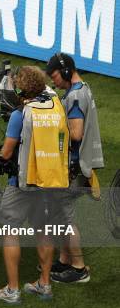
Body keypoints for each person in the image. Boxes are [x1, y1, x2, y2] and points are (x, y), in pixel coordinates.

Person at [0, 66, 70, 303]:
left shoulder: (20, 115)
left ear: (21, 89)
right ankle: (44, 284)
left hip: (24, 182)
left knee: (10, 231)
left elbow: (6, 153)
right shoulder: (56, 106)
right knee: (43, 231)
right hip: (51, 179)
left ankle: (12, 290)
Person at [46, 53, 104, 283]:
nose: (54, 81)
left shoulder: (76, 96)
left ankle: (79, 268)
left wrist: (52, 130)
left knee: (66, 218)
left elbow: (76, 133)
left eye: (55, 76)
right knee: (63, 214)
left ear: (67, 71)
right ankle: (64, 260)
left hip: (73, 165)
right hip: (80, 164)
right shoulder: (83, 88)